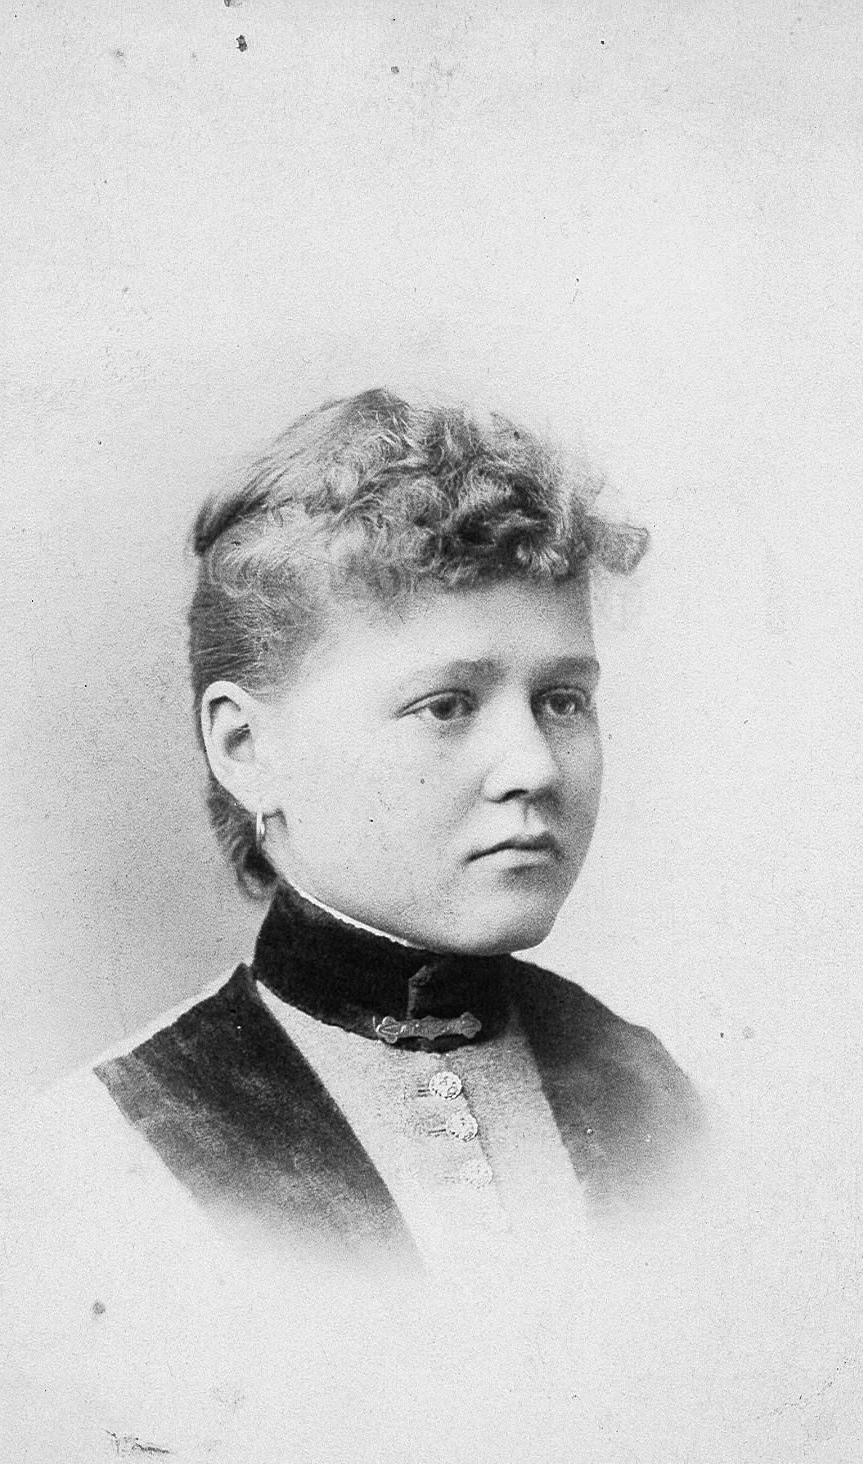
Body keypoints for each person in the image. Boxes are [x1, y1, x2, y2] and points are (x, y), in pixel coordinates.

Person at [70, 389, 701, 1278]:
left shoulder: (658, 1099)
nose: (534, 767)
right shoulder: (107, 1165)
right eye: (446, 706)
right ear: (247, 747)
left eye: (563, 701)